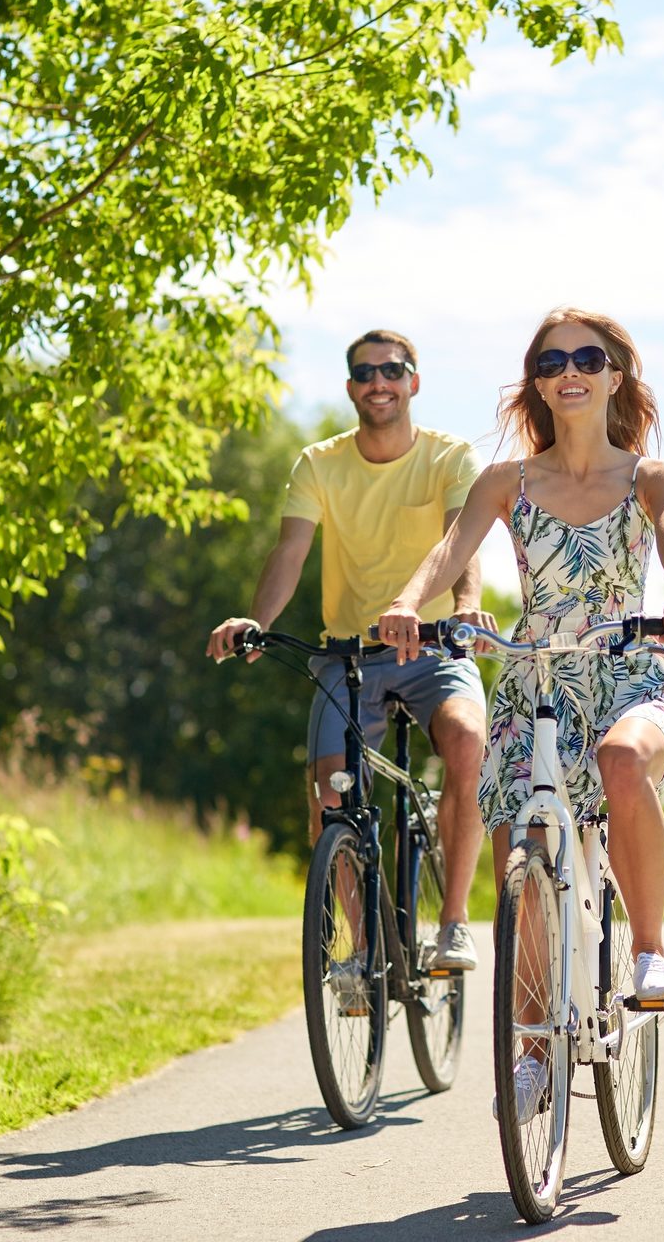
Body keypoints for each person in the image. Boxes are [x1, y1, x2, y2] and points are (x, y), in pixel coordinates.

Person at [375, 306, 664, 1010]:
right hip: (538, 675)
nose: (570, 374)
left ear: (615, 377)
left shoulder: (650, 477)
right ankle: (528, 1050)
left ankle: (649, 953)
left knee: (623, 761)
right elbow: (448, 552)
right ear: (540, 386)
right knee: (522, 845)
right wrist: (406, 605)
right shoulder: (506, 481)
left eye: (587, 360)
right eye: (551, 364)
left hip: (629, 663)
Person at [206, 329, 492, 972]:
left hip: (433, 646)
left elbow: (460, 545)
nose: (378, 382)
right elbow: (290, 553)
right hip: (347, 657)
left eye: (392, 370)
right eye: (364, 373)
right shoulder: (319, 463)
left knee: (469, 742)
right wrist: (257, 620)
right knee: (330, 796)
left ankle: (453, 924)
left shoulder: (450, 458)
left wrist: (465, 609)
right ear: (350, 389)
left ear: (413, 381)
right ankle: (362, 954)